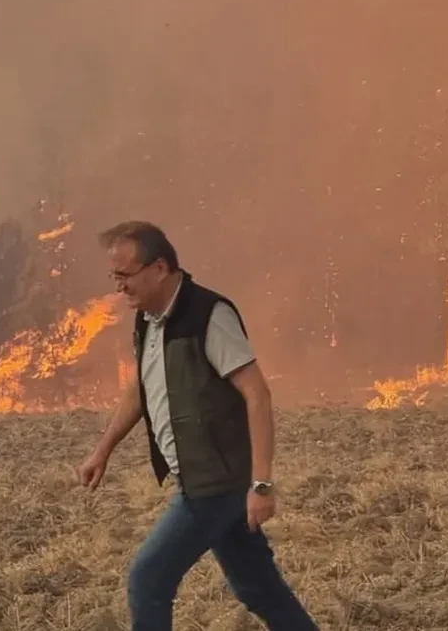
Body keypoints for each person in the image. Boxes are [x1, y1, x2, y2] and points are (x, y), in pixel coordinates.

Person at [76, 220, 318, 631]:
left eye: (125, 275)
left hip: (215, 482)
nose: (119, 288)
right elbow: (142, 386)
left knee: (148, 579)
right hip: (203, 477)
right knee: (258, 588)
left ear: (159, 268)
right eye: (113, 276)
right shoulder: (149, 318)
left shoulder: (209, 315)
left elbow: (257, 395)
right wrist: (103, 449)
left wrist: (261, 484)